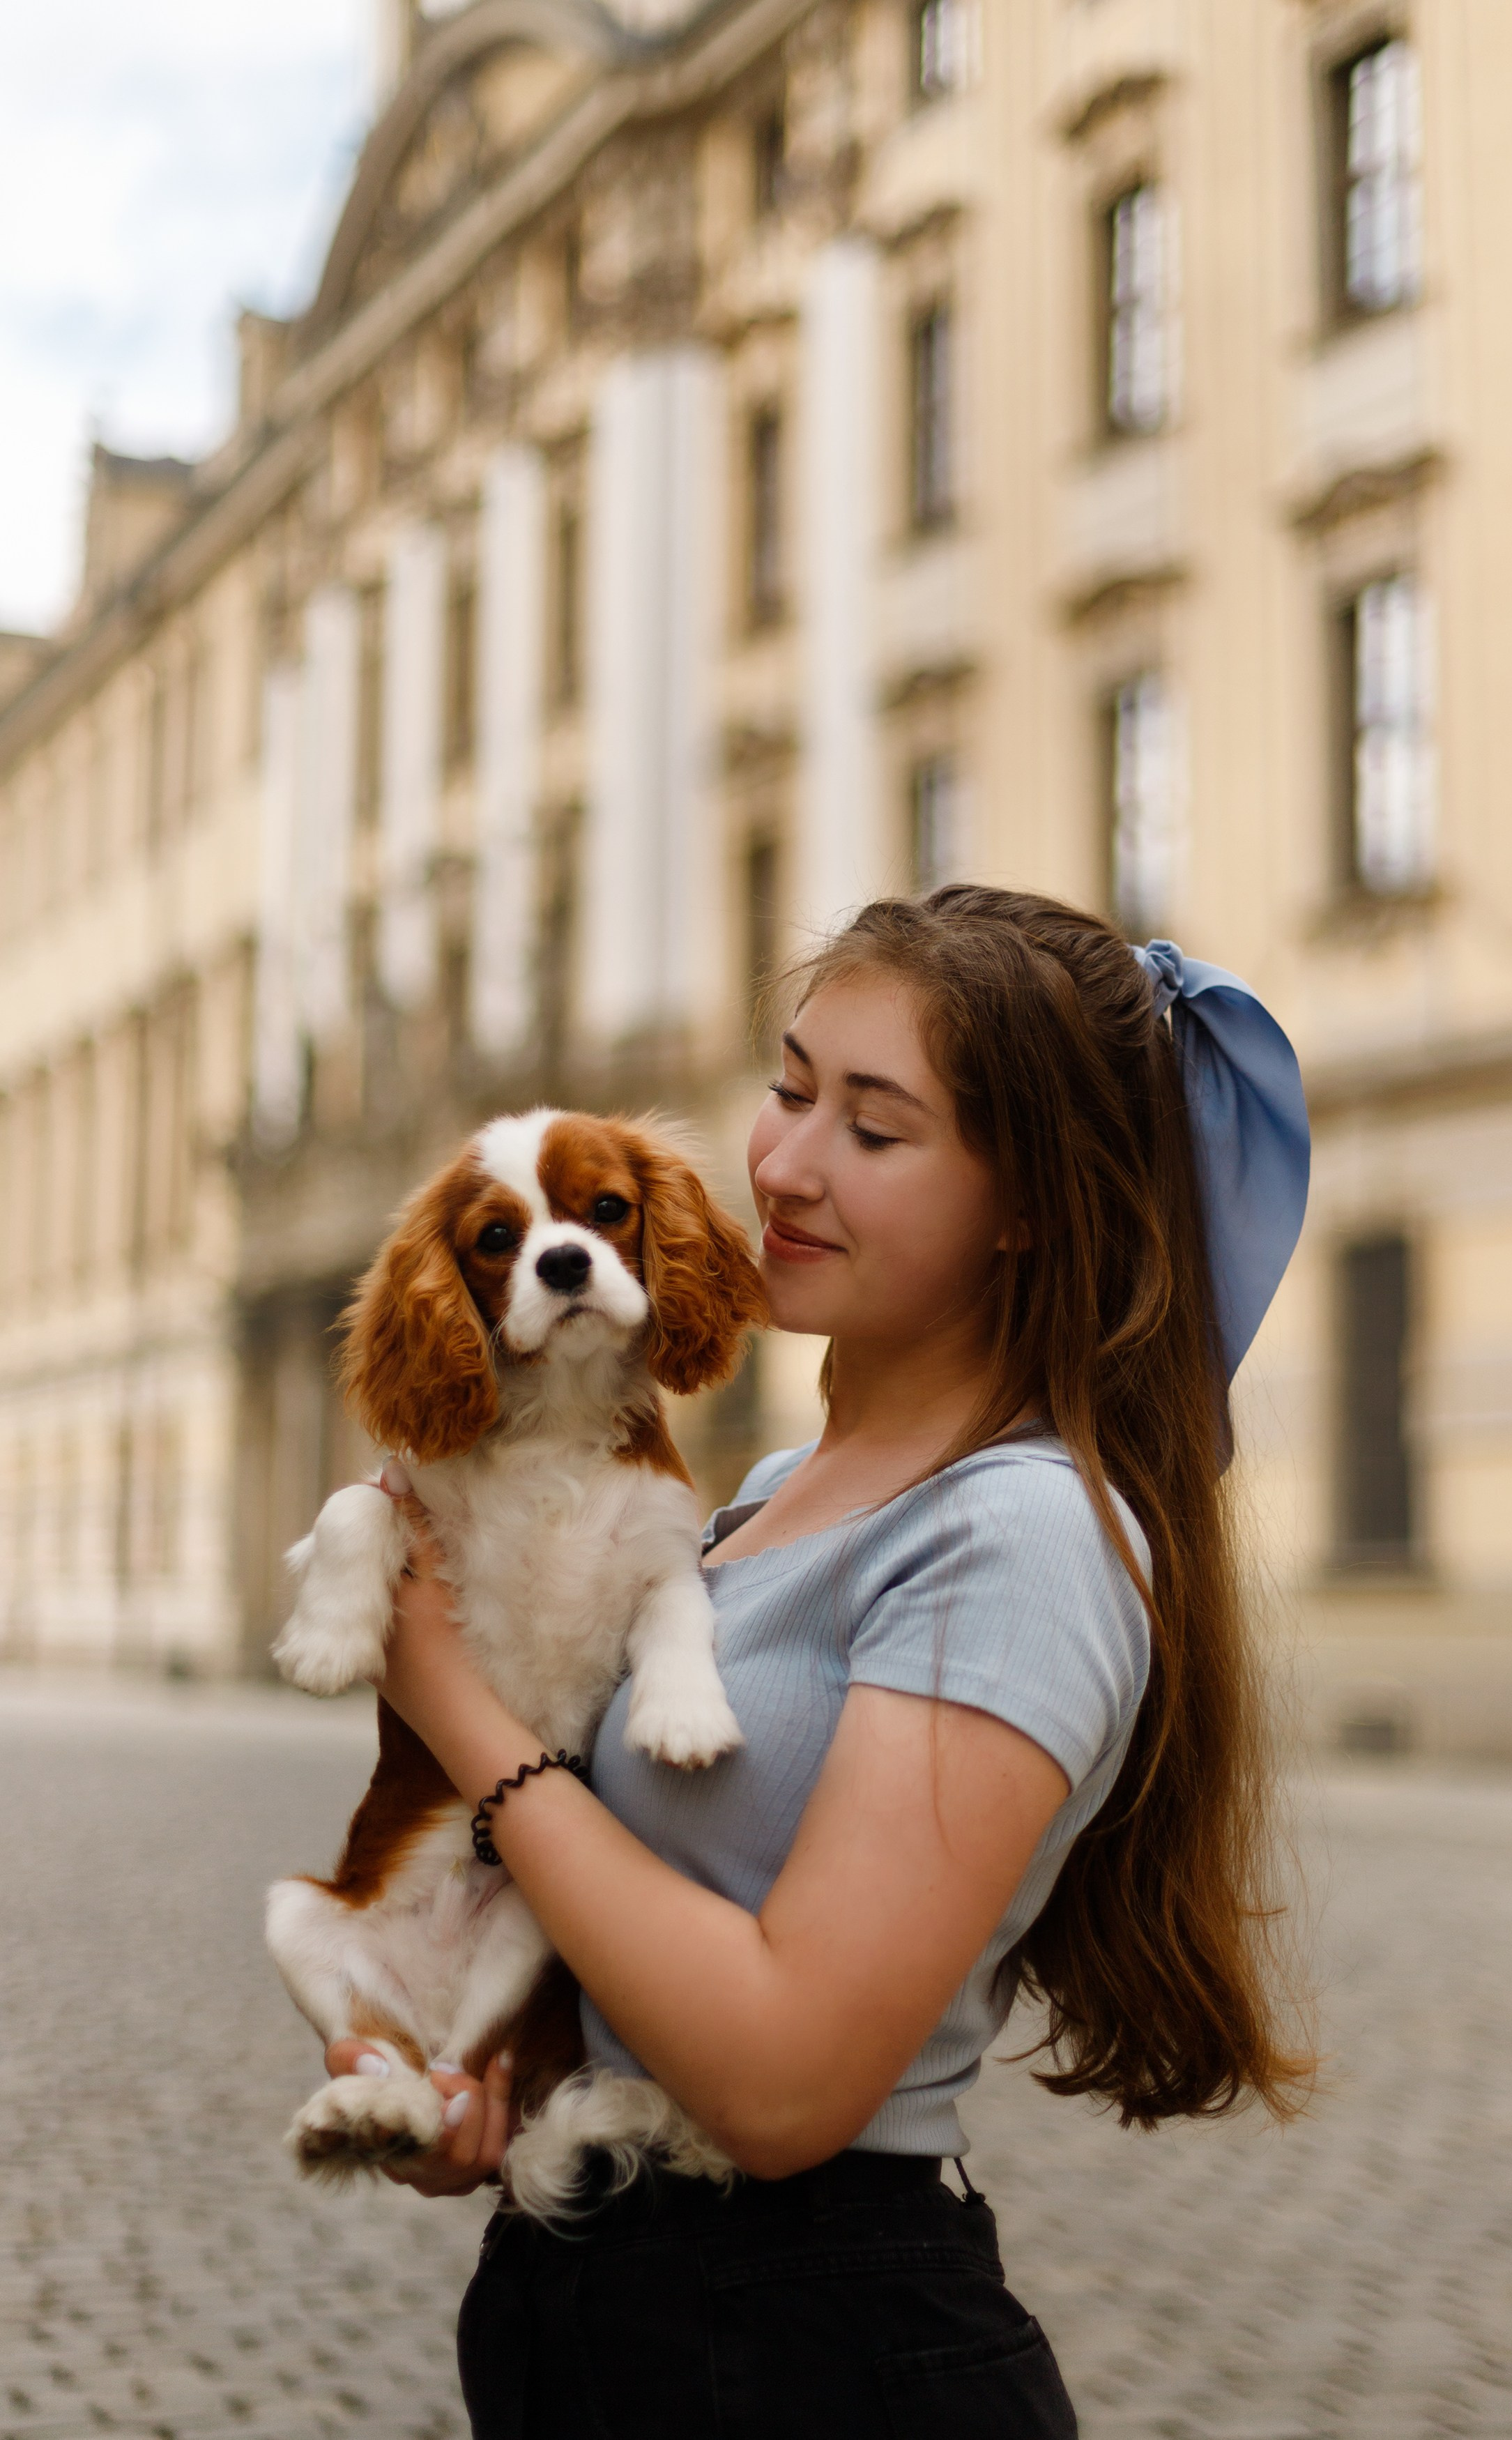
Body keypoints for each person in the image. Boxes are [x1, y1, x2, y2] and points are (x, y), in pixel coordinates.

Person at [325, 885, 1315, 2439]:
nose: (781, 1163)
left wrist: (452, 1703)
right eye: (791, 1088)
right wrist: (470, 2063)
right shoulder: (776, 1493)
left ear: (1029, 1203)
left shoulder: (1025, 1535)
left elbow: (787, 2087)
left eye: (876, 1126)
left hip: (814, 2347)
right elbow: (649, 1906)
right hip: (598, 2311)